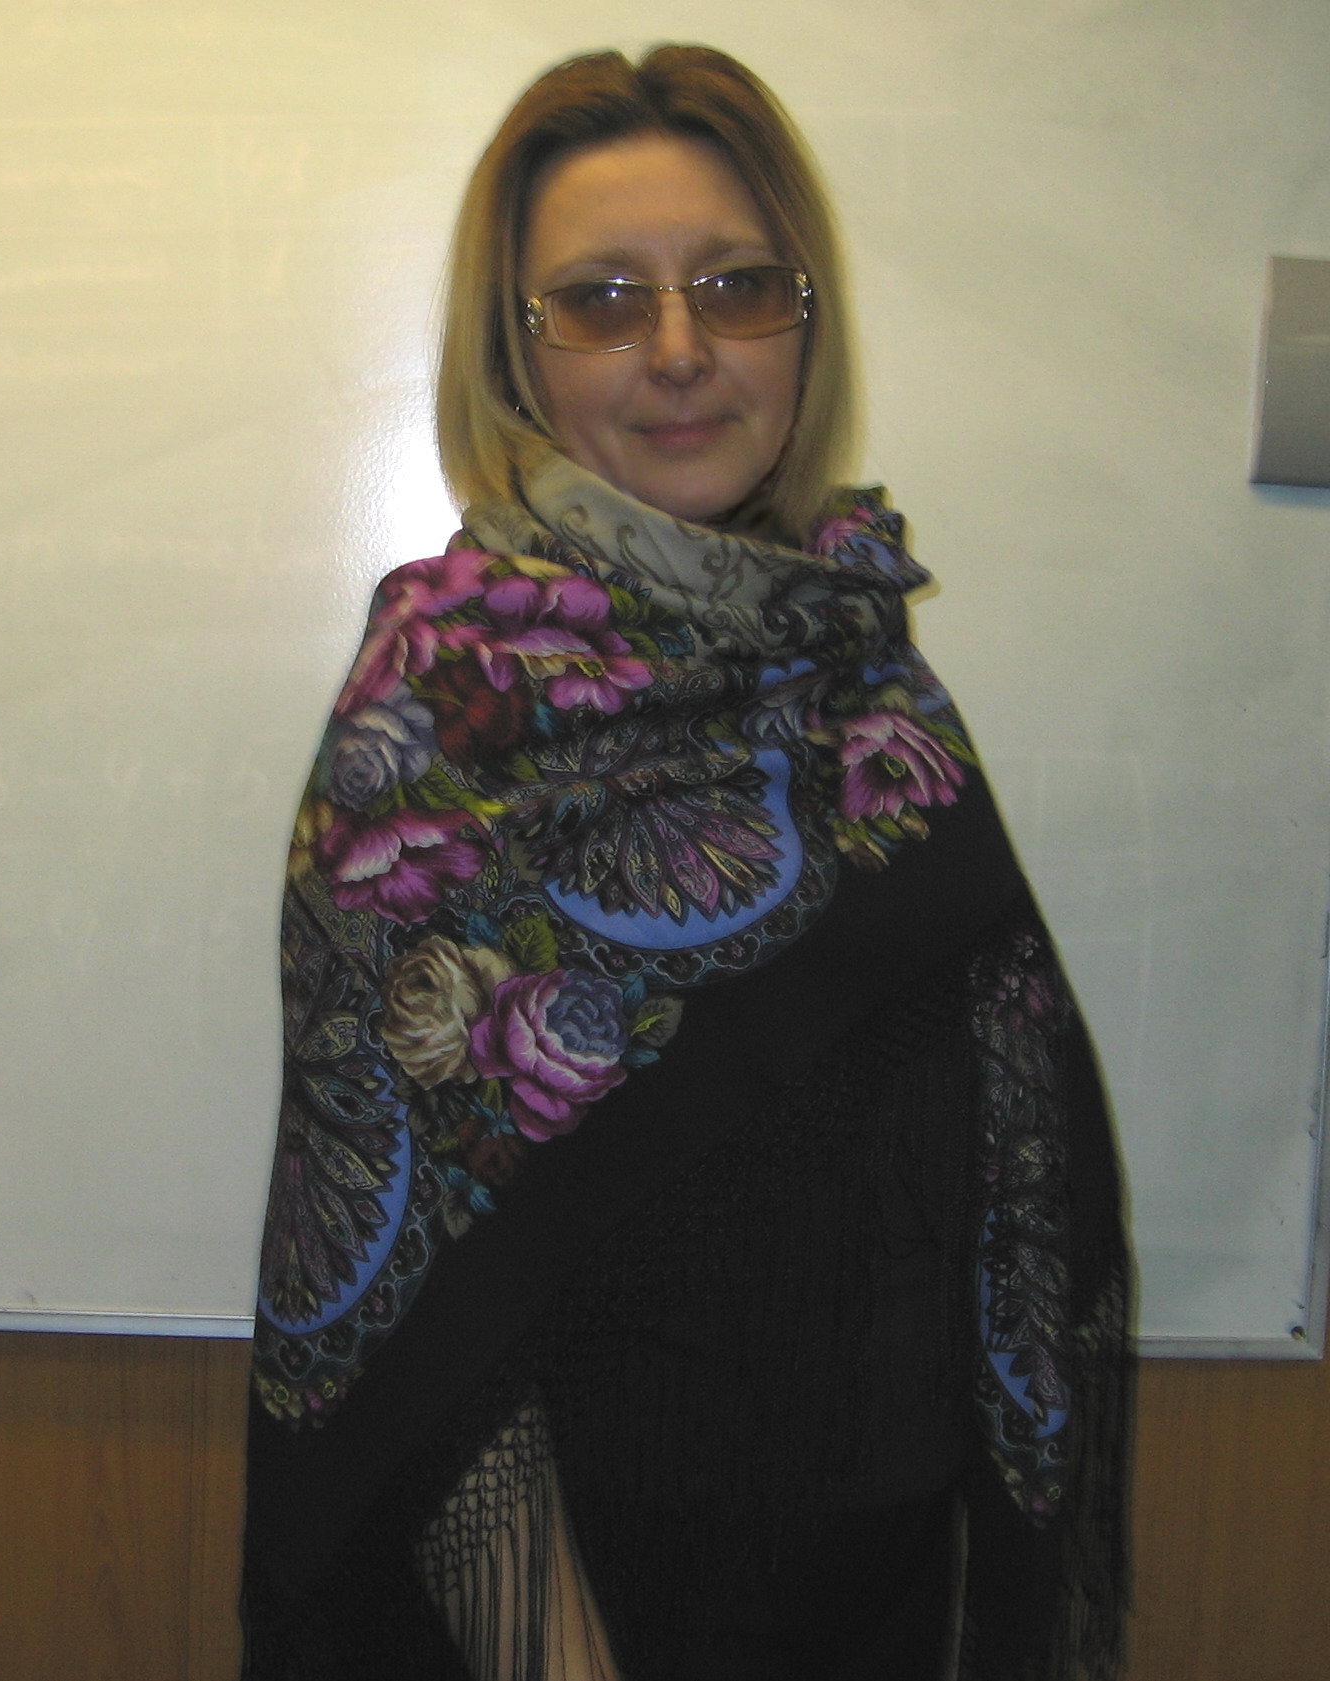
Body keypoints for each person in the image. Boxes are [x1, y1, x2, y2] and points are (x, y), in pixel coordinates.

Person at [241, 44, 1131, 1681]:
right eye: (600, 299)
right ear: (516, 354)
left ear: (806, 321)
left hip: (883, 1615)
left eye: (736, 286)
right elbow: (424, 1329)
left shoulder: (873, 693)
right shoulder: (434, 725)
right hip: (568, 1628)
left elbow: (1002, 1180)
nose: (678, 350)